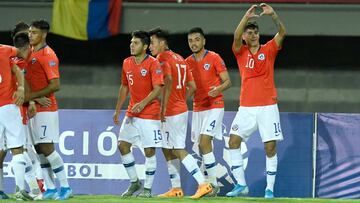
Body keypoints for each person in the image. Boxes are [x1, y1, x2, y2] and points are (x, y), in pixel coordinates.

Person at [225, 3, 286, 199]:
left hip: (268, 105)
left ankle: (269, 188)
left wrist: (273, 15)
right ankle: (241, 185)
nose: (252, 35)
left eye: (255, 32)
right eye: (248, 32)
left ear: (259, 35)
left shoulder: (269, 49)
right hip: (246, 108)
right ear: (244, 36)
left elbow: (282, 32)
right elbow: (235, 37)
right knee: (233, 141)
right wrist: (245, 16)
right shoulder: (240, 52)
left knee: (270, 147)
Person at [148, 28, 212, 199]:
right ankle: (176, 188)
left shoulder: (161, 59)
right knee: (167, 148)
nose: (149, 47)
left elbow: (167, 83)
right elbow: (193, 87)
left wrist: (164, 108)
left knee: (177, 149)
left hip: (170, 112)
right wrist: (181, 101)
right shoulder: (181, 59)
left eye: (152, 43)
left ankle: (203, 184)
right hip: (180, 109)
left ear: (162, 43)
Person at [113, 30, 164, 198]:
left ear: (145, 46)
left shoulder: (153, 63)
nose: (131, 45)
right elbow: (124, 86)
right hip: (132, 113)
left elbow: (158, 89)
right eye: (131, 42)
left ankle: (148, 189)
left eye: (135, 43)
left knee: (149, 151)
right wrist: (118, 109)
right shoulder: (127, 62)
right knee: (122, 145)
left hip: (149, 113)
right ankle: (134, 182)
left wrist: (142, 103)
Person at [26, 19, 72, 200]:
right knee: (39, 149)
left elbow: (55, 85)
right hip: (34, 108)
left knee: (47, 148)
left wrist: (33, 96)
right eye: (29, 32)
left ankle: (66, 187)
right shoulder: (29, 52)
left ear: (44, 34)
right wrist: (33, 98)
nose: (30, 35)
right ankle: (51, 188)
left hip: (46, 109)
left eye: (34, 32)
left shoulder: (48, 55)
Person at [185, 27, 231, 196]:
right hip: (198, 108)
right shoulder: (186, 62)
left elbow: (228, 82)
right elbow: (187, 87)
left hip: (214, 105)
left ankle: (212, 184)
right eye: (190, 41)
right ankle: (211, 184)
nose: (193, 43)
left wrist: (217, 89)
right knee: (202, 146)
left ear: (203, 41)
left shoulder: (214, 57)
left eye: (197, 40)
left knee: (204, 142)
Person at [0, 33, 33, 200]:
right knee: (17, 148)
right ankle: (20, 189)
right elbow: (20, 59)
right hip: (8, 105)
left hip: (6, 105)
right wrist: (21, 88)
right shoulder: (4, 50)